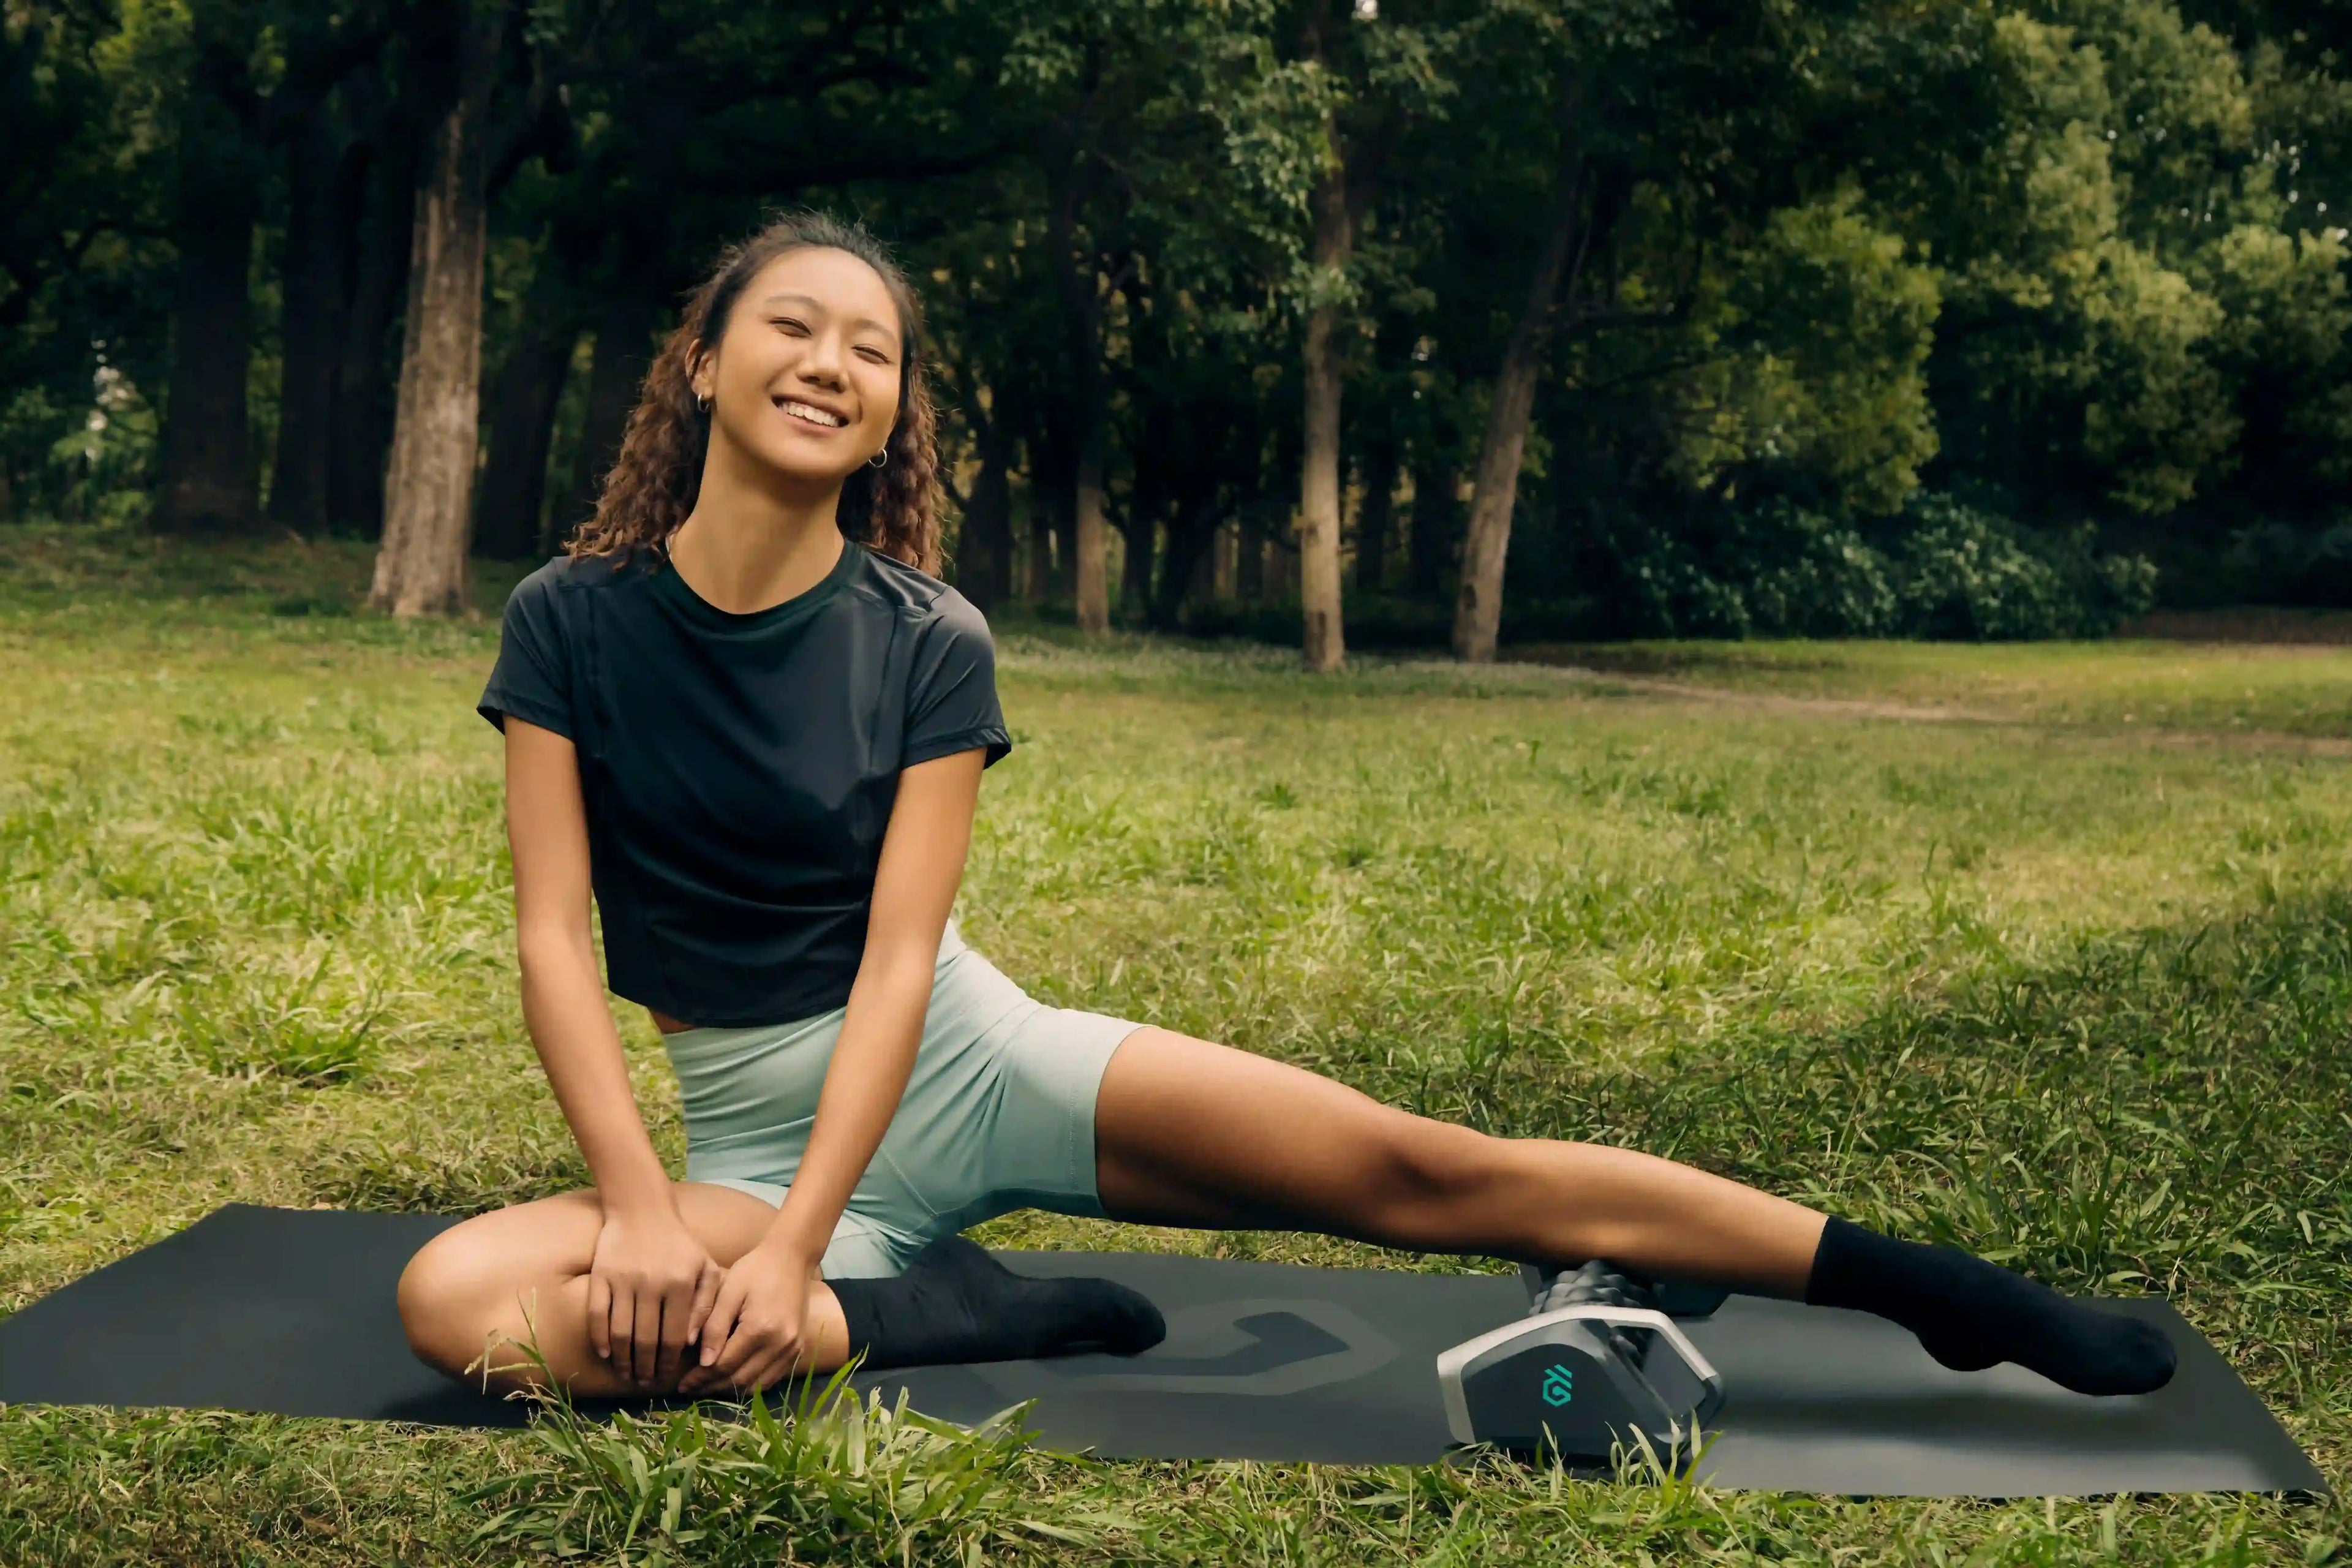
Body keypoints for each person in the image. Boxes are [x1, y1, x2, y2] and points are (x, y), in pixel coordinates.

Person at [395, 213, 2177, 1409]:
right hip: (735, 1132)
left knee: (1429, 1176)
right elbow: (555, 933)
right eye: (791, 325)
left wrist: (782, 1255)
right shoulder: (571, 619)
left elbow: (896, 962)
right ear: (701, 366)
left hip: (949, 1054)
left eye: (874, 348)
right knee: (461, 1308)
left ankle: (1953, 1298)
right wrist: (646, 1203)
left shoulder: (925, 638)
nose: (832, 360)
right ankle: (947, 1308)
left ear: (889, 417)